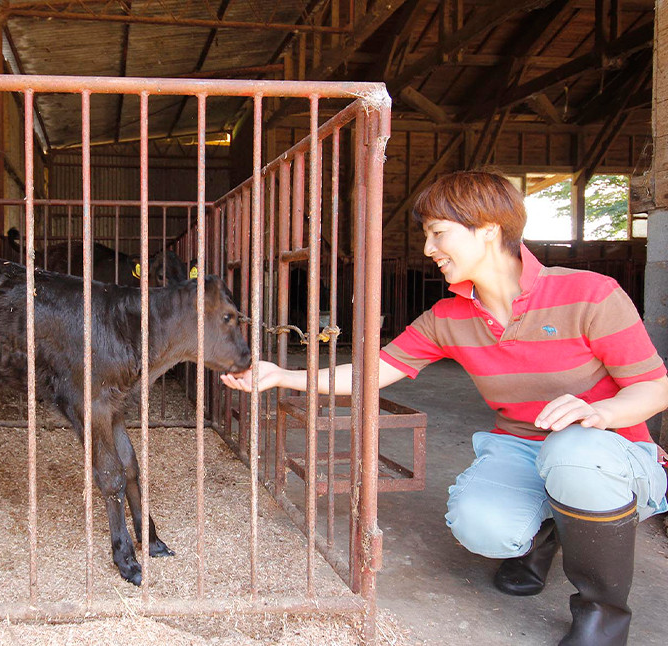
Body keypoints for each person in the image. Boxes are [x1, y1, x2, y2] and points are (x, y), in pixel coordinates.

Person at [221, 171, 668, 646]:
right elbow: (369, 373)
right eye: (427, 235)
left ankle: (601, 614)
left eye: (439, 232)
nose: (430, 248)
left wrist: (600, 415)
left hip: (608, 452)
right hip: (521, 449)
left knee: (574, 453)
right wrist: (282, 375)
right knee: (480, 527)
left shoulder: (590, 293)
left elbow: (654, 390)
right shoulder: (448, 318)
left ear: (490, 229)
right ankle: (547, 531)